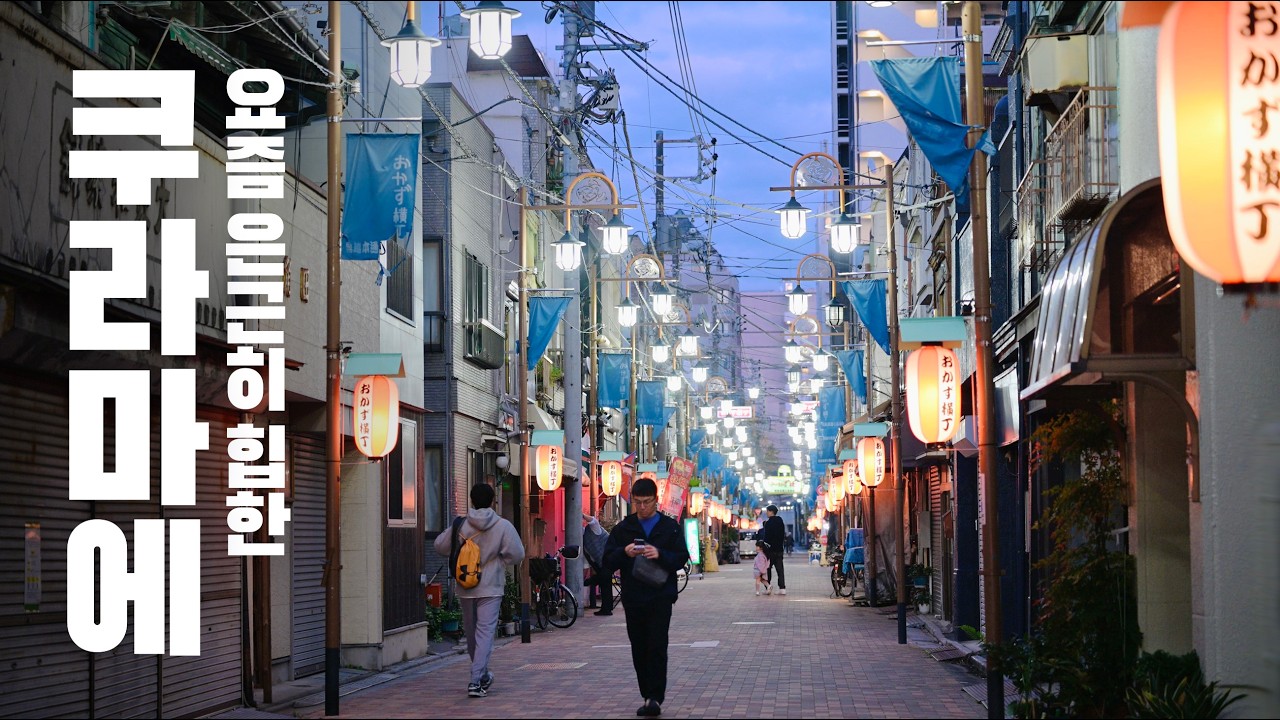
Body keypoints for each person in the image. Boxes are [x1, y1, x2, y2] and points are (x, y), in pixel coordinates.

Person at [602, 478, 690, 717]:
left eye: (647, 502)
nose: (642, 507)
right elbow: (607, 560)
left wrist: (659, 553)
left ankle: (654, 698)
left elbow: (681, 557)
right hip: (634, 596)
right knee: (639, 646)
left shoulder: (669, 527)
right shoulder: (624, 528)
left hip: (661, 595)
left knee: (657, 645)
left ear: (656, 500)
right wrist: (625, 551)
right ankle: (646, 694)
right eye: (637, 502)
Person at [432, 483, 525, 699]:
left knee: (472, 632)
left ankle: (480, 675)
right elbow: (517, 554)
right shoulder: (503, 526)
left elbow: (439, 546)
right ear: (493, 501)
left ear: (472, 500)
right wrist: (499, 560)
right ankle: (476, 680)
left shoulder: (461, 524)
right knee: (485, 632)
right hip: (491, 586)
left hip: (466, 585)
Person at [581, 512, 614, 616]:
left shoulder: (593, 529)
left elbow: (593, 520)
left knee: (603, 580)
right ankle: (606, 609)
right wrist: (581, 578)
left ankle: (607, 609)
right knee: (604, 583)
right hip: (600, 563)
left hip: (610, 557)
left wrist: (581, 515)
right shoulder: (582, 542)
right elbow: (586, 562)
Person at [761, 504, 787, 595]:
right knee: (780, 569)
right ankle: (782, 588)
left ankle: (768, 587)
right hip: (779, 549)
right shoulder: (780, 521)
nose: (766, 513)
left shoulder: (768, 523)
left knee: (767, 569)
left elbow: (767, 538)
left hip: (770, 550)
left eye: (767, 511)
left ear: (771, 511)